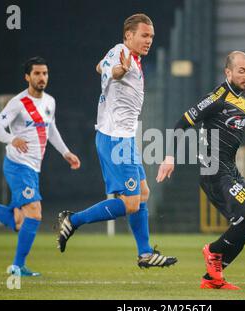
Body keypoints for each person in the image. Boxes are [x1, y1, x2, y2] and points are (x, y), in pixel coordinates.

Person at [56, 14, 177, 268]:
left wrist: (109, 68)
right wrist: (118, 71)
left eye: (151, 36)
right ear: (128, 36)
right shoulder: (123, 54)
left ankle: (145, 253)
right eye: (144, 35)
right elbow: (114, 70)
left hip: (123, 138)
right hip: (115, 139)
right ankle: (73, 220)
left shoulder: (125, 55)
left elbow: (100, 66)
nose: (149, 41)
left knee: (142, 193)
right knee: (131, 202)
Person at [156, 51, 245, 289]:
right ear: (228, 72)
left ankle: (213, 278)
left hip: (230, 169)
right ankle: (213, 251)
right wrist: (169, 156)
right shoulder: (216, 97)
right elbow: (181, 124)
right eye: (241, 71)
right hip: (214, 170)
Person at [0, 56, 81, 276]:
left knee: (21, 222)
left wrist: (66, 152)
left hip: (33, 169)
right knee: (35, 213)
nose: (42, 77)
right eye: (37, 73)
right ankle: (17, 267)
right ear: (27, 77)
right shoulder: (18, 103)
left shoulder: (50, 102)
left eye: (45, 73)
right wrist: (12, 139)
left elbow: (51, 129)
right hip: (18, 165)